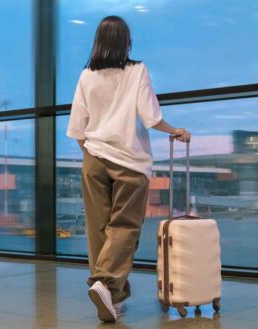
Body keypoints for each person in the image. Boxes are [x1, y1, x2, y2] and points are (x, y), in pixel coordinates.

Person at [66, 15, 190, 323]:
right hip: (130, 162)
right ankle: (106, 284)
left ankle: (115, 299)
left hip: (93, 159)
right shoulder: (137, 71)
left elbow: (78, 129)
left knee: (99, 229)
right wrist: (175, 130)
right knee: (124, 229)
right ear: (126, 42)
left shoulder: (86, 76)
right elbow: (151, 117)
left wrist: (94, 154)